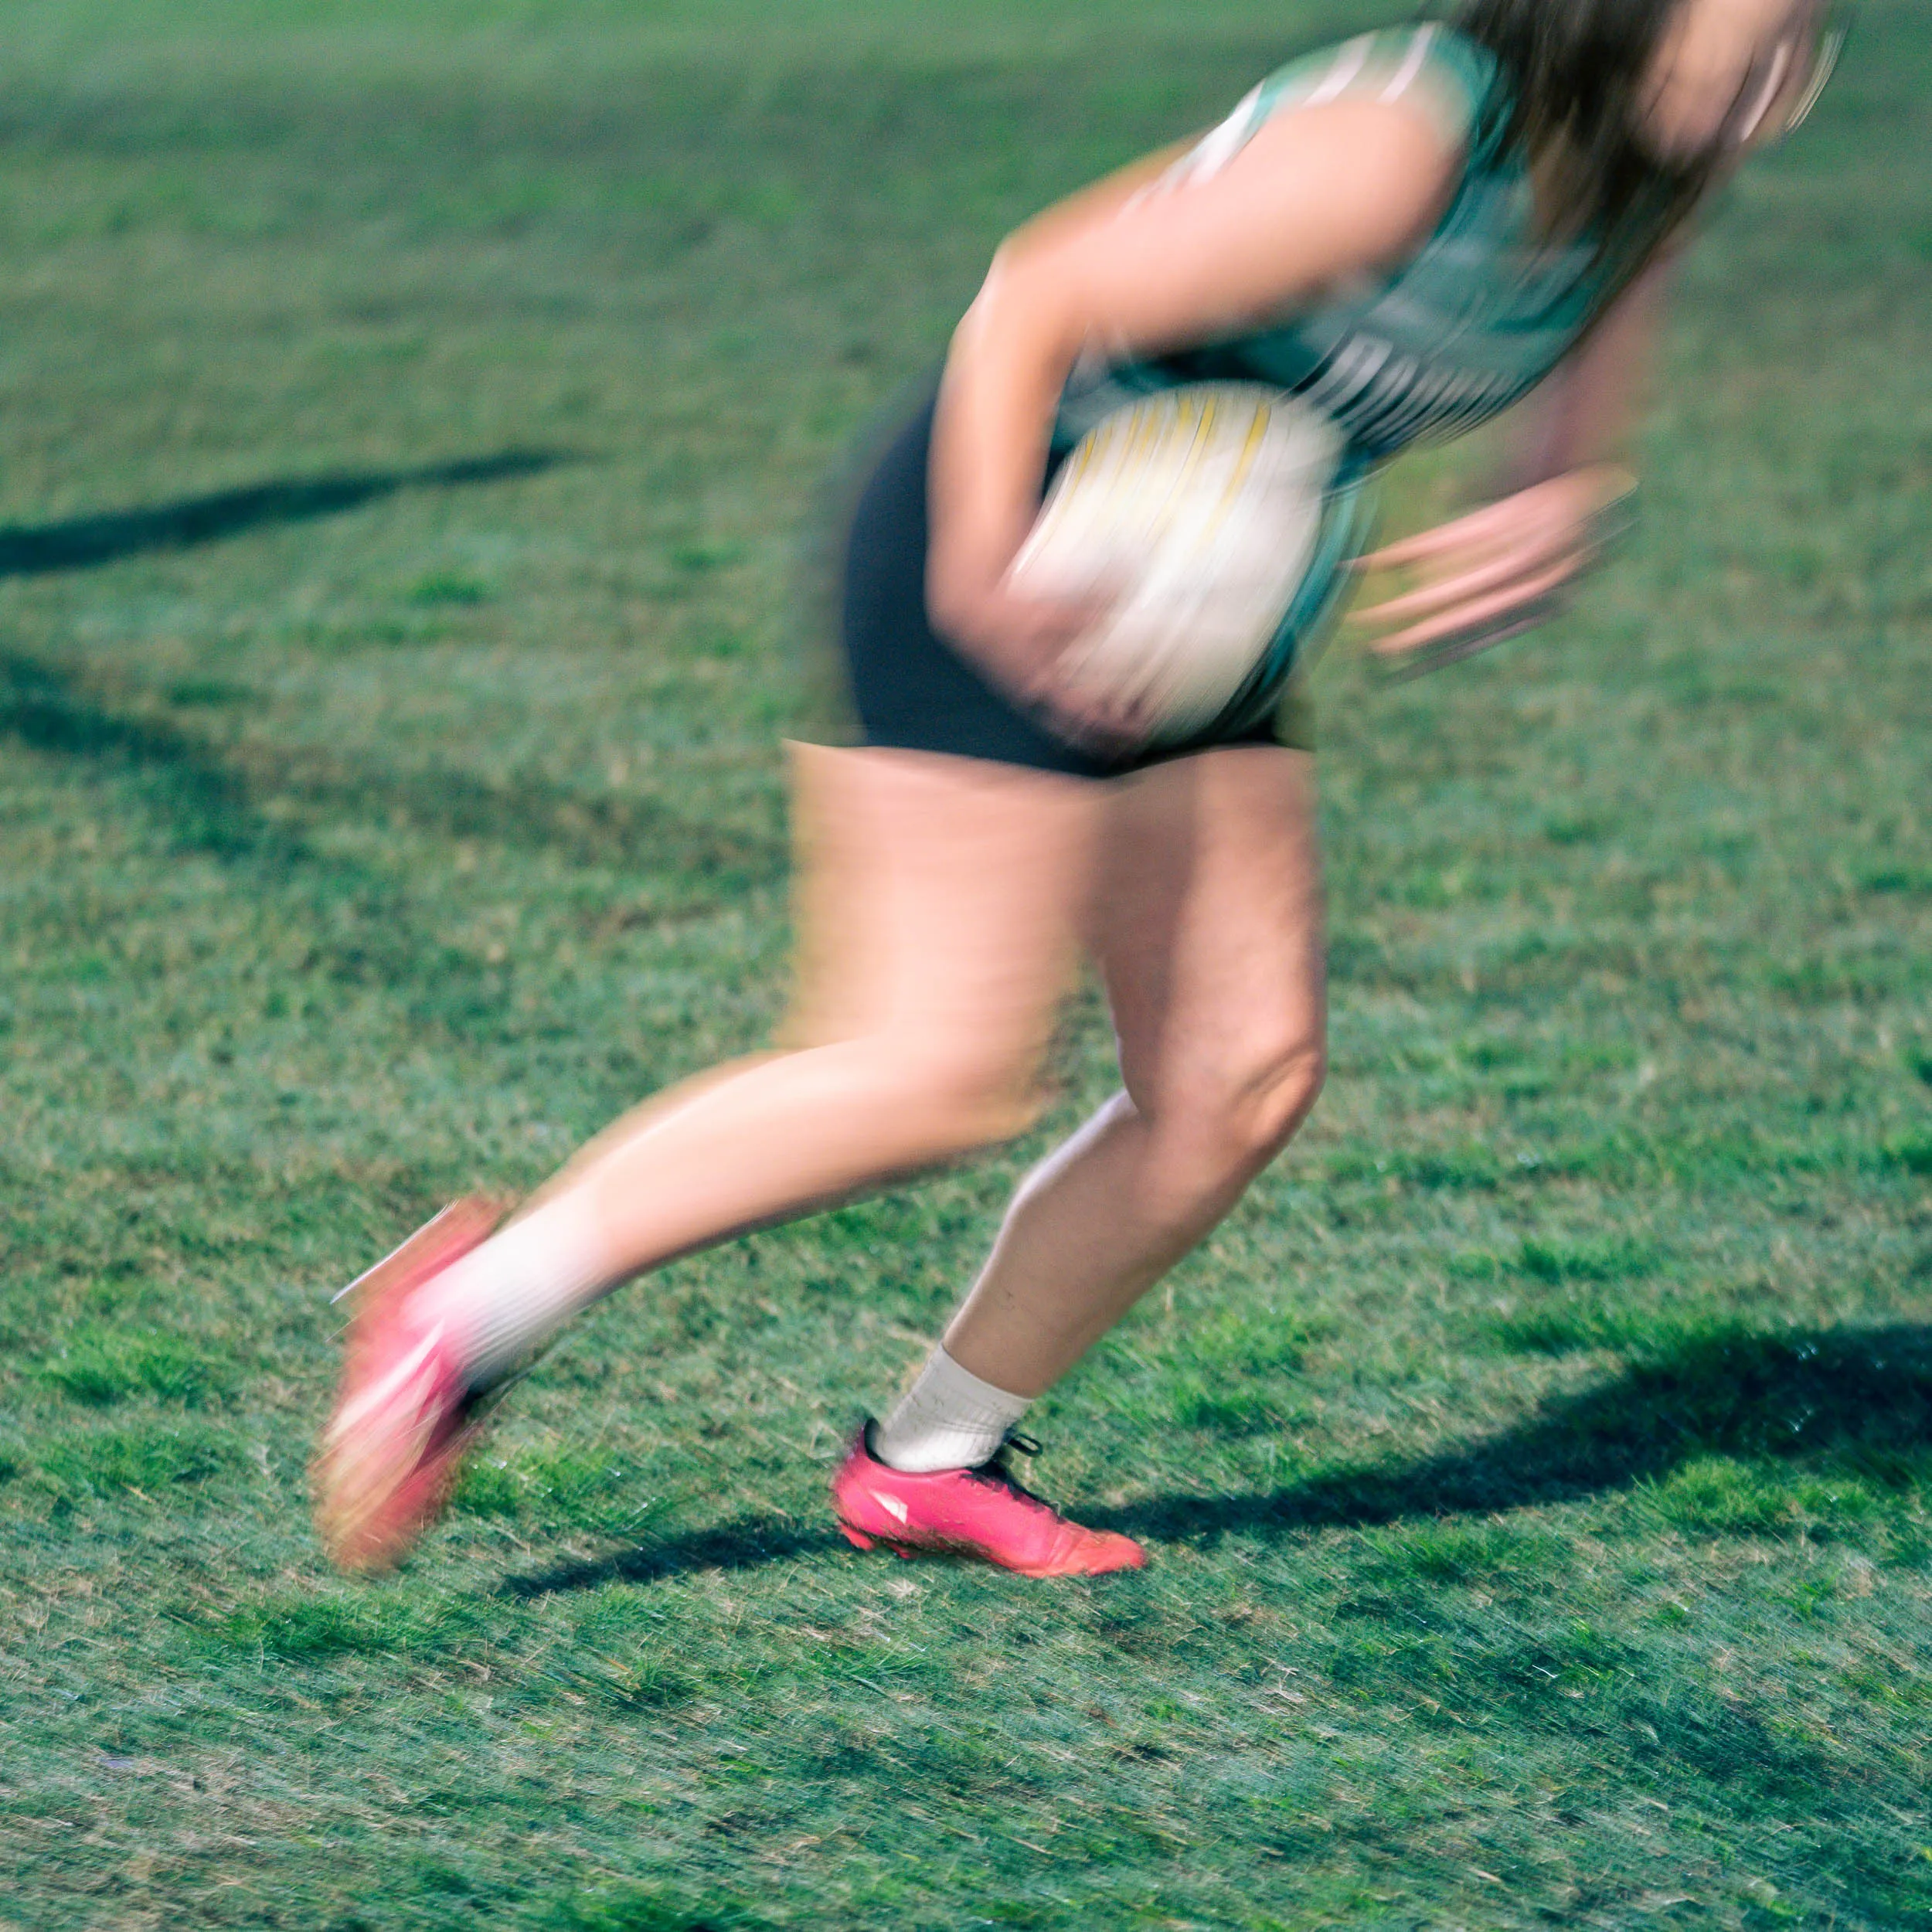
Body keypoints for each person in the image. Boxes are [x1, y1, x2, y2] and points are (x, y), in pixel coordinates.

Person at [313, 0, 1840, 1577]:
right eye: (1766, 24)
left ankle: (927, 1457)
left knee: (1235, 1076)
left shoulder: (1659, 172)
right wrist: (985, 573)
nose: (1789, 68)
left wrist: (1556, 499)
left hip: (1199, 597)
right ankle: (466, 1315)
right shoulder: (1401, 144)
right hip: (1014, 530)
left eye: (1814, 30)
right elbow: (1033, 291)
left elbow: (1578, 395)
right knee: (935, 1068)